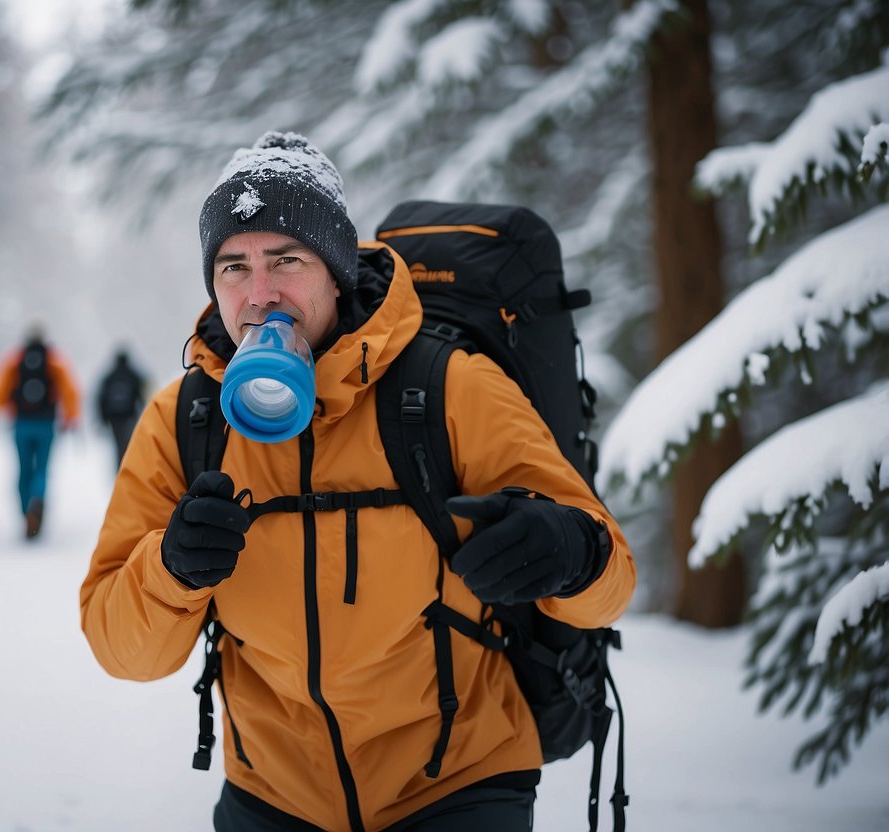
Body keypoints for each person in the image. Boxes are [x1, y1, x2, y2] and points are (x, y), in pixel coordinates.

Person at [80, 132, 635, 831]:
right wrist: (172, 569)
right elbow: (120, 650)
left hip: (459, 782)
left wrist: (567, 550)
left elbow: (610, 581)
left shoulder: (446, 386)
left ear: (336, 271)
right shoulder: (183, 419)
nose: (259, 295)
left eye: (286, 260)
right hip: (272, 793)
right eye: (232, 267)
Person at [0, 324, 80, 538]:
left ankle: (25, 512)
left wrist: (2, 408)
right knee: (42, 470)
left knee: (23, 470)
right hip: (46, 424)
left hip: (21, 424)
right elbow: (70, 389)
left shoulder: (15, 360)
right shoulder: (54, 360)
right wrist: (71, 417)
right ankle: (37, 499)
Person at [96, 348, 147, 469]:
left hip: (114, 419)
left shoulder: (109, 376)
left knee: (118, 445)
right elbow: (141, 395)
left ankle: (120, 470)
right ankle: (128, 469)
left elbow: (101, 398)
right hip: (129, 416)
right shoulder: (133, 374)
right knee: (129, 445)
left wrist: (103, 418)